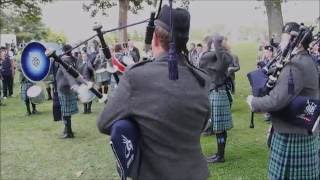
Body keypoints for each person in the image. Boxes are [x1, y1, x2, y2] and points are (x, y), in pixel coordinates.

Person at [97, 5, 210, 179]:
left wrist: (133, 123)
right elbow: (202, 125)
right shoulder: (202, 78)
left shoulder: (137, 77)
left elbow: (104, 124)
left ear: (156, 39)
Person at [247, 22, 320, 179]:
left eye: (284, 38)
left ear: (296, 41)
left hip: (293, 133)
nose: (281, 42)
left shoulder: (296, 65)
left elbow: (276, 100)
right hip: (301, 129)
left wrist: (253, 101)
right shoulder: (307, 59)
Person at [199, 34, 233, 163]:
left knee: (219, 128)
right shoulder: (219, 56)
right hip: (216, 92)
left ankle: (220, 155)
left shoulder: (223, 56)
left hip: (218, 92)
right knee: (219, 128)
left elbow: (215, 64)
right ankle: (219, 154)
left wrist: (215, 44)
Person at [56, 44, 79, 138]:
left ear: (63, 50)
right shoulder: (73, 60)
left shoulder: (64, 60)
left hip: (64, 87)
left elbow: (67, 74)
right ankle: (67, 129)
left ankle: (68, 132)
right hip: (68, 87)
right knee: (67, 111)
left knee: (65, 112)